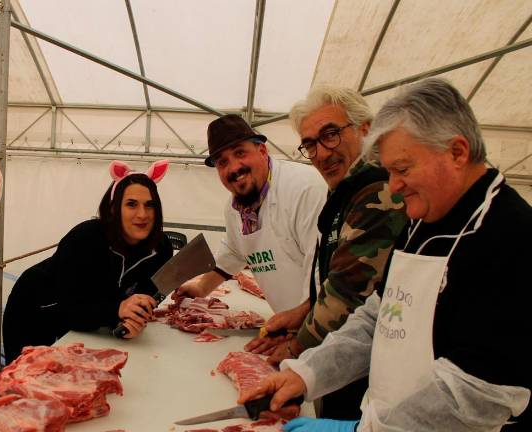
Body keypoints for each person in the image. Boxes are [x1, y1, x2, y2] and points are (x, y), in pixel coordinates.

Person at [240, 78, 531, 431]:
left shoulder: (510, 236)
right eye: (389, 170)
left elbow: (475, 395)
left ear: (457, 152)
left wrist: (365, 431)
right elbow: (379, 317)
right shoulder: (423, 218)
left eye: (402, 170)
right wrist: (307, 374)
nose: (392, 186)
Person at [249, 87, 407, 420]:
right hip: (346, 359)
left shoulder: (377, 192)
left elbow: (349, 293)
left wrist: (293, 350)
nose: (321, 153)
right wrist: (304, 310)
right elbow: (344, 276)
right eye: (310, 144)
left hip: (367, 373)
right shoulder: (346, 194)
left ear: (366, 128)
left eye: (331, 135)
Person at [2, 160, 173, 364]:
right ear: (113, 209)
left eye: (150, 205)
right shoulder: (85, 238)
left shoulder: (161, 247)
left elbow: (145, 295)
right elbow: (69, 307)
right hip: (36, 309)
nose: (142, 214)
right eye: (131, 204)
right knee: (28, 381)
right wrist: (116, 310)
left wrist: (132, 319)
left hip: (85, 318)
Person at [175, 114, 326, 337]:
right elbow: (234, 252)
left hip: (321, 328)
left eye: (240, 153)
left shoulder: (304, 189)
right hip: (288, 327)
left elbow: (324, 272)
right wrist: (202, 287)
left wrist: (301, 336)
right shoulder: (234, 208)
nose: (234, 167)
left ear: (262, 151)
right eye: (222, 162)